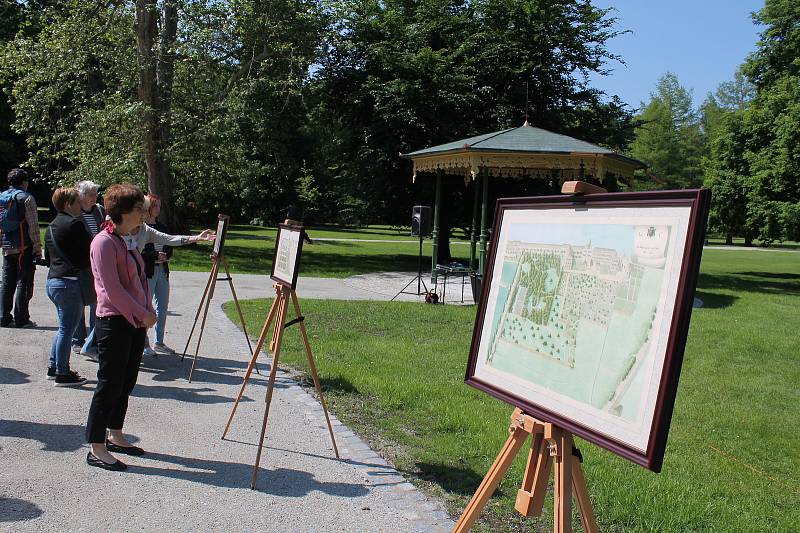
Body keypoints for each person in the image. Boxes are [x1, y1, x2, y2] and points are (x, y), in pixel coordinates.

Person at [85, 183, 156, 471]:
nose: (144, 213)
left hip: (135, 321)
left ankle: (115, 434)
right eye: (140, 209)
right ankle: (96, 446)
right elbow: (112, 290)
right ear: (124, 211)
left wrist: (146, 311)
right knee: (109, 383)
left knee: (126, 381)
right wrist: (142, 313)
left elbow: (139, 280)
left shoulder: (127, 238)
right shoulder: (103, 242)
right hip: (114, 321)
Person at [137, 193, 214, 356]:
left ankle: (158, 342)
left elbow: (171, 240)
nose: (158, 209)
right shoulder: (134, 229)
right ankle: (143, 344)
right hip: (146, 272)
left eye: (159, 206)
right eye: (154, 206)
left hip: (162, 270)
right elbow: (134, 254)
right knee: (144, 308)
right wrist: (153, 256)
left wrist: (197, 238)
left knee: (161, 308)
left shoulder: (151, 229)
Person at [44, 188, 91, 386]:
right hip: (69, 283)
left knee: (64, 327)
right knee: (67, 329)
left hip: (53, 282)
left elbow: (48, 258)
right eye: (77, 201)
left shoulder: (51, 226)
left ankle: (54, 366)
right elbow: (92, 249)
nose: (80, 205)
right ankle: (62, 373)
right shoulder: (74, 224)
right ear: (67, 205)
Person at [0, 168, 42, 328]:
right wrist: (37, 247)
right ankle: (22, 319)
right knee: (23, 282)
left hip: (6, 246)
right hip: (23, 246)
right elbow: (33, 226)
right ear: (24, 182)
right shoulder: (27, 198)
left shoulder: (2, 196)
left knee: (6, 282)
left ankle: (3, 317)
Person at [71, 180, 105, 356]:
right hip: (82, 263)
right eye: (91, 194)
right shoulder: (74, 213)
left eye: (95, 194)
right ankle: (77, 339)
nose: (94, 198)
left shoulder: (99, 211)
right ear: (82, 196)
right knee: (79, 302)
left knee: (96, 302)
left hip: (97, 263)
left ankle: (94, 339)